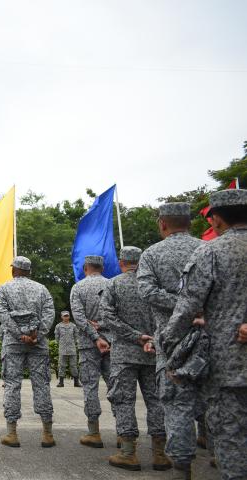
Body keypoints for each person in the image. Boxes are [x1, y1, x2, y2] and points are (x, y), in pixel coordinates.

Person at [161, 189, 247, 480]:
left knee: (230, 433)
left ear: (217, 219)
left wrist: (169, 341)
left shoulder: (211, 251)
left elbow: (188, 305)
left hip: (229, 362)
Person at [136, 202, 206, 475]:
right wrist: (196, 306)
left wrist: (181, 305)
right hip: (212, 335)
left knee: (176, 404)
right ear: (189, 222)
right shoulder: (208, 248)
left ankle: (181, 469)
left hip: (171, 340)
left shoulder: (152, 254)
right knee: (218, 402)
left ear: (163, 223)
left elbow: (148, 292)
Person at [101, 246, 171, 472]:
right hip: (153, 354)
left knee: (123, 401)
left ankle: (128, 453)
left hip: (124, 355)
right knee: (156, 402)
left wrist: (134, 336)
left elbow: (107, 317)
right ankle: (160, 454)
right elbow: (168, 315)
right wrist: (151, 338)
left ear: (121, 262)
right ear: (141, 262)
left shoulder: (113, 284)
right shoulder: (154, 285)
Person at [0, 256, 56, 448]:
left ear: (14, 270)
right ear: (28, 271)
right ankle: (47, 434)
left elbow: (2, 315)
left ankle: (12, 434)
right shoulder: (42, 289)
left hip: (13, 343)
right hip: (38, 343)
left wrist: (19, 334)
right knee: (42, 385)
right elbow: (49, 313)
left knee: (12, 385)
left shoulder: (3, 289)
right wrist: (38, 335)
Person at [69, 254, 113, 448]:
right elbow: (120, 315)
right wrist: (104, 326)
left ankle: (94, 433)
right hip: (112, 342)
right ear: (101, 268)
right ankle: (123, 433)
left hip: (88, 344)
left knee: (90, 387)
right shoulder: (113, 285)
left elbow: (78, 317)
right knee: (117, 386)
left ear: (86, 267)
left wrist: (94, 334)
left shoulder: (78, 287)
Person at [55, 311, 80, 387]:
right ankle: (61, 382)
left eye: (67, 316)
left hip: (72, 349)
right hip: (62, 349)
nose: (66, 317)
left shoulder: (73, 326)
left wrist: (74, 343)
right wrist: (60, 344)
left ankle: (76, 382)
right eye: (64, 316)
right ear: (61, 317)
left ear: (69, 316)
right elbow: (57, 337)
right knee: (62, 365)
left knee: (73, 365)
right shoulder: (58, 326)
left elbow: (76, 336)